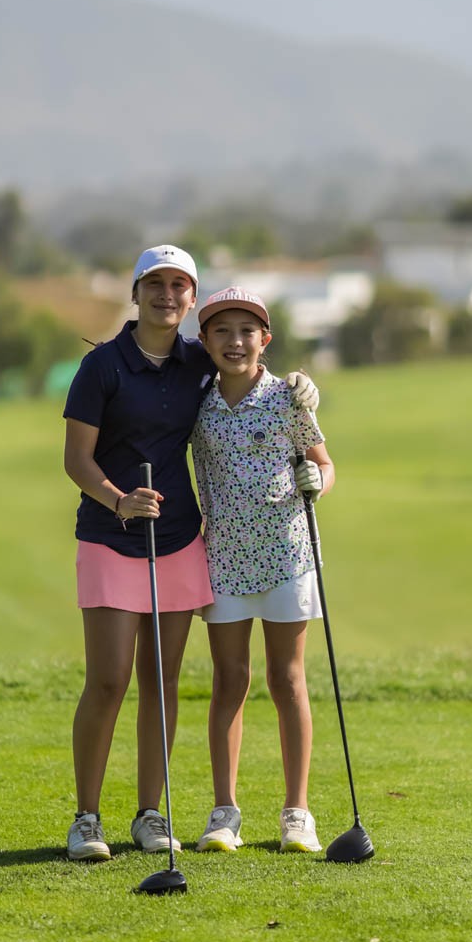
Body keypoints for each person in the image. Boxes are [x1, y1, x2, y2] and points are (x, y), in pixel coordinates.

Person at [62, 247, 319, 861]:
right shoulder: (103, 366)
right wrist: (117, 500)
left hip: (178, 540)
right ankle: (86, 820)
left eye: (179, 286)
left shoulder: (196, 360)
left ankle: (150, 814)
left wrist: (303, 385)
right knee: (108, 680)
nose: (166, 295)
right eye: (155, 284)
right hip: (110, 535)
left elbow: (248, 364)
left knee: (162, 680)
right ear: (136, 293)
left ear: (191, 298)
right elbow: (76, 459)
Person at [189, 287, 334, 855]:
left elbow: (323, 463)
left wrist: (318, 482)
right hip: (223, 558)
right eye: (222, 331)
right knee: (229, 681)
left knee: (287, 679)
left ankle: (298, 812)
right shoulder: (198, 402)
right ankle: (224, 812)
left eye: (246, 331)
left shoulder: (288, 399)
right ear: (205, 341)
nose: (235, 341)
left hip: (287, 556)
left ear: (265, 339)